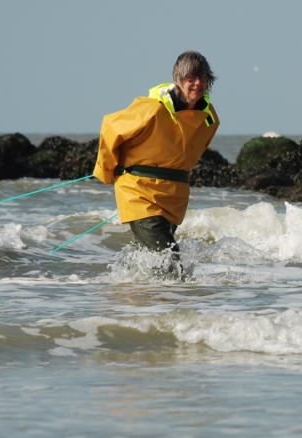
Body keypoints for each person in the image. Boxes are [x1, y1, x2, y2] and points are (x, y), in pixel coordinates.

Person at [92, 50, 219, 275]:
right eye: (191, 78)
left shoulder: (209, 118)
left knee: (152, 260)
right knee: (171, 262)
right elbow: (111, 128)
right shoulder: (152, 108)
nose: (198, 84)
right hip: (139, 192)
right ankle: (178, 305)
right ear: (179, 80)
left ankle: (134, 296)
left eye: (203, 78)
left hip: (174, 197)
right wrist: (106, 169)